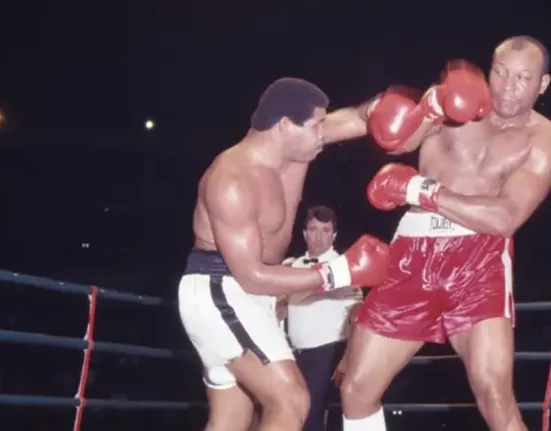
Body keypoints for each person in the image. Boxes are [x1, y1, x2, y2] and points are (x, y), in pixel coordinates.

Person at [340, 36, 551, 431]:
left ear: (543, 84)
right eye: (501, 73)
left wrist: (419, 190)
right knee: (356, 389)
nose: (507, 87)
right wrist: (430, 107)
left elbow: (506, 217)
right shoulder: (460, 101)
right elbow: (397, 142)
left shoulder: (544, 139)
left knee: (494, 398)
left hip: (479, 260)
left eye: (523, 78)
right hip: (411, 254)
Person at [177, 77, 391, 431]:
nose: (324, 134)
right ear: (284, 126)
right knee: (292, 400)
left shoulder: (297, 145)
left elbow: (359, 117)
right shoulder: (232, 179)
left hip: (249, 295)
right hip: (222, 290)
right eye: (317, 126)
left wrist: (423, 102)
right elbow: (251, 276)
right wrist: (341, 271)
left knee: (232, 420)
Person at [283, 205, 363, 431]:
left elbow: (358, 314)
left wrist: (348, 358)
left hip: (327, 352)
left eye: (325, 230)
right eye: (313, 229)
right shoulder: (291, 266)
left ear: (334, 235)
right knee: (290, 411)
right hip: (291, 353)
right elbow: (278, 308)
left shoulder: (346, 267)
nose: (318, 236)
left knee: (311, 414)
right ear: (304, 233)